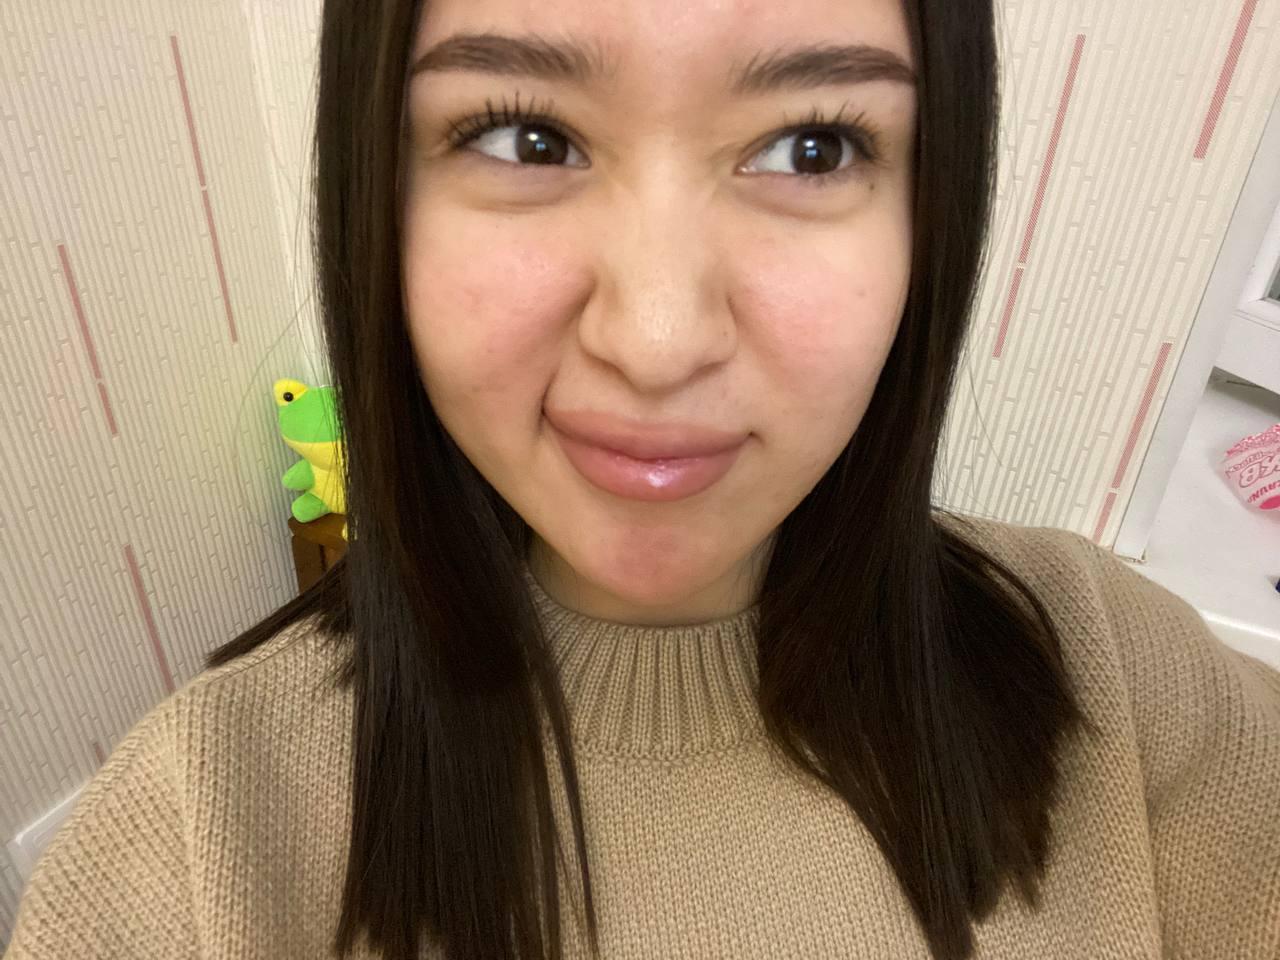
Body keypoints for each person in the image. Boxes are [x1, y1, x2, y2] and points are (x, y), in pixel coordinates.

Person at [6, 0, 1279, 957]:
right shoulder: (195, 849)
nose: (658, 340)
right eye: (525, 136)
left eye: (812, 148)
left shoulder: (1120, 681)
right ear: (376, 195)